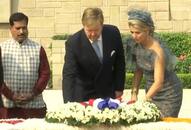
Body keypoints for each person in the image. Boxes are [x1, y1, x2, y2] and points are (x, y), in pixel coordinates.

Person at [126, 9, 182, 117]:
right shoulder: (135, 44)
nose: (134, 36)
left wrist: (144, 100)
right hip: (152, 90)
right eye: (131, 32)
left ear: (147, 30)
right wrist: (134, 94)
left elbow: (158, 82)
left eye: (138, 32)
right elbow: (138, 71)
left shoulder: (157, 51)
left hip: (169, 94)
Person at [62, 7, 125, 103]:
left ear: (102, 25)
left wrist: (119, 88)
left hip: (108, 93)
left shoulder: (113, 33)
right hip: (84, 95)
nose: (93, 34)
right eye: (89, 30)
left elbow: (120, 62)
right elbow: (69, 75)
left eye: (96, 30)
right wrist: (68, 104)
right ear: (83, 26)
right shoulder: (73, 43)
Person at [0, 12, 50, 119]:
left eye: (24, 28)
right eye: (18, 28)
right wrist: (10, 95)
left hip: (33, 105)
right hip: (7, 106)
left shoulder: (38, 49)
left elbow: (45, 73)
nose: (21, 31)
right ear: (11, 28)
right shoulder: (2, 49)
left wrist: (33, 93)